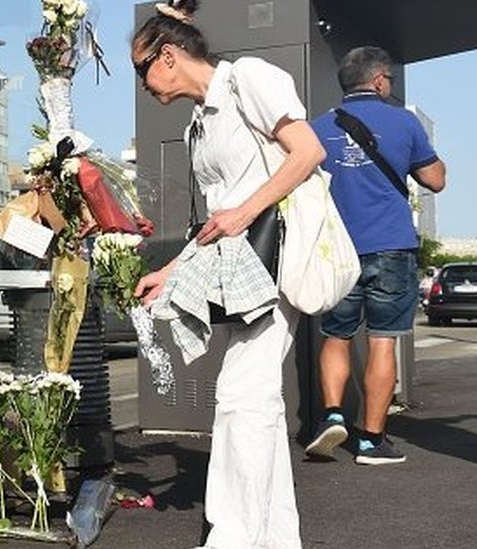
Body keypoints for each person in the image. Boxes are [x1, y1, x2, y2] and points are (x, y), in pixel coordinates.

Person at [130, 2, 326, 547]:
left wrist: (245, 212)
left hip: (276, 258)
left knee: (243, 394)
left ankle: (235, 536)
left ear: (168, 56)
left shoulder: (251, 79)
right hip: (237, 269)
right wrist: (170, 270)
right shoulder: (198, 122)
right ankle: (272, 537)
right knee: (254, 398)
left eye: (141, 67)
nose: (142, 82)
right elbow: (214, 219)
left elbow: (308, 151)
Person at [307, 46, 446, 465]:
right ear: (381, 79)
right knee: (382, 341)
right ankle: (371, 441)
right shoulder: (403, 122)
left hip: (337, 249)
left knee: (336, 335)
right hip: (390, 245)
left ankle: (332, 415)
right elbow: (435, 180)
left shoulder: (318, 128)